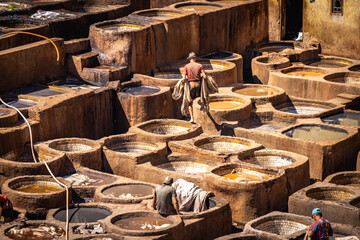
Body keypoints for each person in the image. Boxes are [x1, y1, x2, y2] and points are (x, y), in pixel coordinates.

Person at [181, 52, 207, 123]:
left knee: (190, 102)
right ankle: (202, 116)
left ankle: (192, 118)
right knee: (199, 100)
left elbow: (183, 79)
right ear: (195, 58)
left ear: (190, 59)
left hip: (191, 85)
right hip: (198, 84)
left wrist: (184, 82)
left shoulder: (186, 66)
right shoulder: (199, 65)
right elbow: (205, 77)